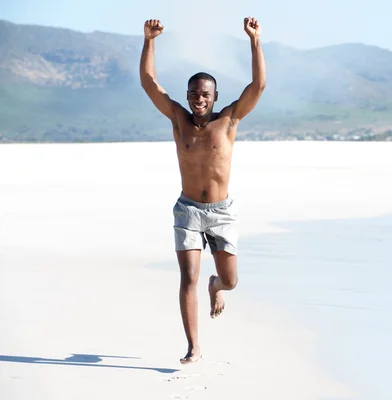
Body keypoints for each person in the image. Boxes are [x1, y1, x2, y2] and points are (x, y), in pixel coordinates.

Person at [139, 17, 266, 364]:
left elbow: (258, 85)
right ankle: (193, 346)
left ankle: (217, 288)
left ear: (215, 98)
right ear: (187, 96)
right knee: (187, 277)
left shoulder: (229, 120)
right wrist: (149, 40)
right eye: (194, 94)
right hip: (188, 211)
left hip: (221, 212)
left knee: (231, 280)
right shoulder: (178, 119)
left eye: (205, 95)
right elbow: (150, 85)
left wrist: (254, 41)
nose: (199, 99)